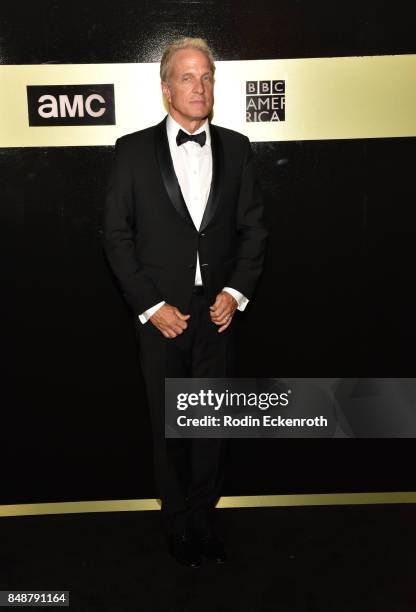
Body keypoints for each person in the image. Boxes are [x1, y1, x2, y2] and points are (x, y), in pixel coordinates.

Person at [104, 37, 267, 568]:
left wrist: (235, 293)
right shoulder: (131, 150)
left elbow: (253, 231)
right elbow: (116, 237)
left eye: (207, 77)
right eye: (188, 78)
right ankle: (175, 523)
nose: (200, 88)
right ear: (166, 88)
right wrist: (152, 306)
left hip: (216, 315)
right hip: (162, 319)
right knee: (168, 427)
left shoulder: (239, 147)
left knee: (211, 425)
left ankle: (203, 519)